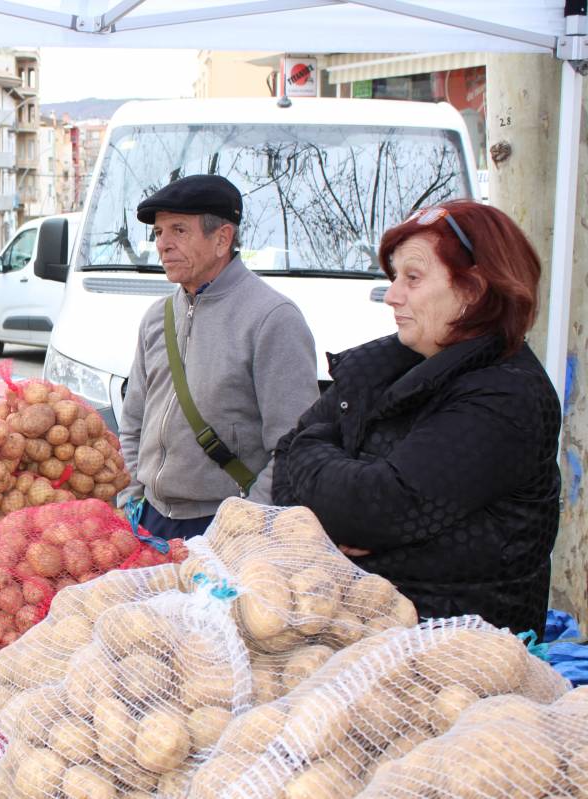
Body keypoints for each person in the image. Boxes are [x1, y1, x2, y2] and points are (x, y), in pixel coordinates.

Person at [272, 200, 560, 636]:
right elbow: (284, 460)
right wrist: (328, 514)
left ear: (474, 289)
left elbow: (375, 508)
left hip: (458, 657)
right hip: (368, 636)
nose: (392, 295)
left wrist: (312, 452)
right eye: (394, 277)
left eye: (413, 277)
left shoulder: (506, 395)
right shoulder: (389, 364)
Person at [119, 174, 319, 539]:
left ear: (222, 238)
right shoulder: (157, 317)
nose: (163, 245)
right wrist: (134, 497)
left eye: (179, 230)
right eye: (159, 233)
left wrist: (244, 525)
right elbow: (134, 421)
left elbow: (294, 446)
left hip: (226, 525)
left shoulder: (273, 319)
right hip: (152, 520)